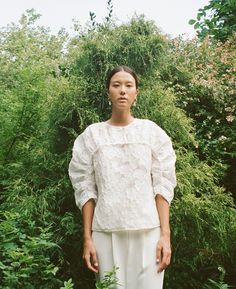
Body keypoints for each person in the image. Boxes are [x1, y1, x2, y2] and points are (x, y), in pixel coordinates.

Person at [68, 65, 176, 289]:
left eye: (129, 85)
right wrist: (87, 238)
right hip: (105, 233)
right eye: (116, 85)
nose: (123, 91)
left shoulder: (151, 133)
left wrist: (165, 236)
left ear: (136, 93)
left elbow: (163, 185)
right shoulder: (92, 136)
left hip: (148, 232)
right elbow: (85, 188)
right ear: (108, 92)